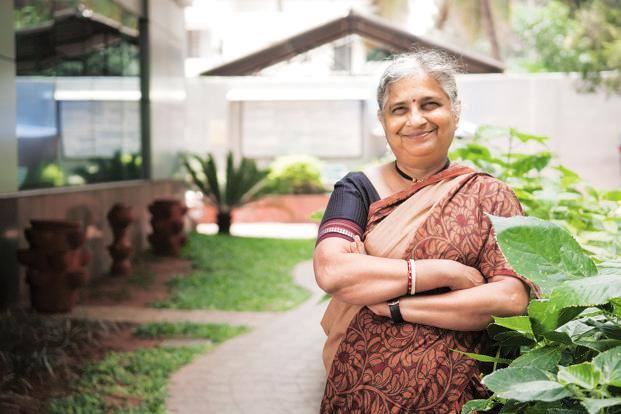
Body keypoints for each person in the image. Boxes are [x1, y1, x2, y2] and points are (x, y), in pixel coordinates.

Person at [313, 50, 540, 413]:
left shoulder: (488, 195)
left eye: (429, 104)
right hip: (360, 392)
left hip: (458, 395)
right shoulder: (357, 190)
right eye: (399, 109)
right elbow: (333, 271)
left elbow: (510, 300)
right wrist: (446, 272)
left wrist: (395, 306)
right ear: (383, 120)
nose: (415, 120)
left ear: (455, 109)